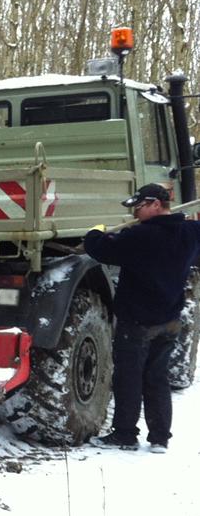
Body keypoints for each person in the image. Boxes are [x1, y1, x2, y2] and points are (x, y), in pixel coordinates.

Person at [83, 183, 200, 452]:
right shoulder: (191, 233)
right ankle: (160, 438)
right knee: (157, 377)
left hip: (137, 321)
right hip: (169, 320)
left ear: (156, 205)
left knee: (129, 377)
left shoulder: (140, 236)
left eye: (140, 206)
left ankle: (125, 434)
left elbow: (99, 249)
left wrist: (95, 231)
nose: (136, 212)